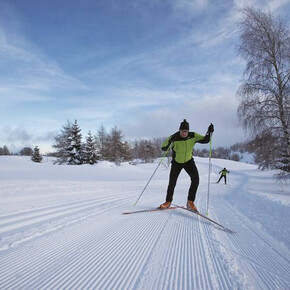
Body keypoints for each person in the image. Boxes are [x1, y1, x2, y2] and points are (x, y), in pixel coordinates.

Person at [159, 119, 214, 211]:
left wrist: (209, 132)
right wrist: (169, 142)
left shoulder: (193, 136)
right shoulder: (174, 137)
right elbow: (163, 148)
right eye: (182, 131)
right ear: (179, 130)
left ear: (188, 131)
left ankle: (190, 202)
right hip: (177, 162)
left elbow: (205, 140)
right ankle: (168, 202)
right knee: (172, 182)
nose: (184, 133)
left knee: (195, 179)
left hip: (189, 161)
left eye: (186, 131)